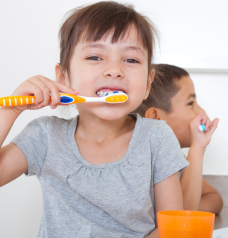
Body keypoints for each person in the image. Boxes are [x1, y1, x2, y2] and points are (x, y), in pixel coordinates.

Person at [0, 2, 188, 237]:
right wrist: (10, 111)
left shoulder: (157, 138)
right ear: (63, 77)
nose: (114, 70)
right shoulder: (44, 136)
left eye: (131, 60)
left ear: (148, 84)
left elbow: (171, 228)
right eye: (95, 56)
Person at [134, 64, 223, 215]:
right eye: (190, 103)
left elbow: (214, 198)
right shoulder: (140, 160)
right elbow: (179, 220)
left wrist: (189, 207)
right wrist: (197, 148)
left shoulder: (176, 158)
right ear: (155, 118)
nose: (201, 112)